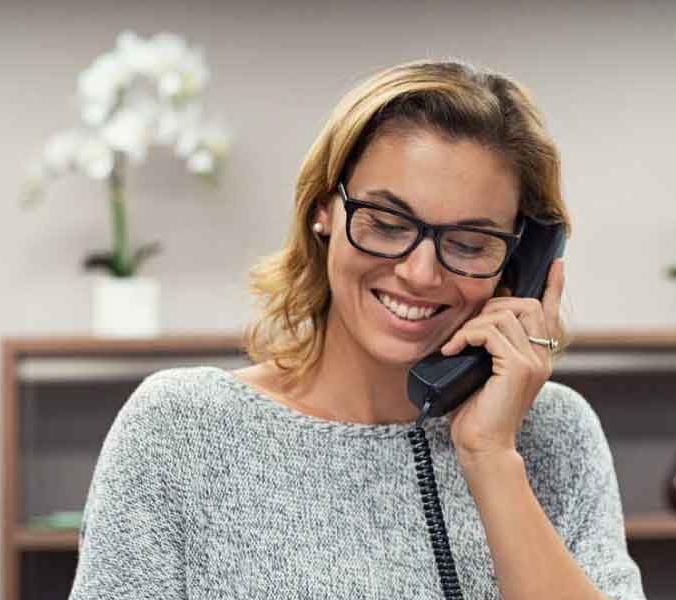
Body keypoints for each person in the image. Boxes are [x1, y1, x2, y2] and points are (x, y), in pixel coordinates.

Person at [69, 59, 645, 600]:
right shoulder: (179, 429)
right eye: (388, 223)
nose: (421, 273)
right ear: (325, 208)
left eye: (469, 243)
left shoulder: (554, 434)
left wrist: (491, 456)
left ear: (522, 263)